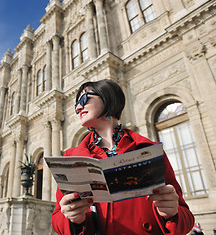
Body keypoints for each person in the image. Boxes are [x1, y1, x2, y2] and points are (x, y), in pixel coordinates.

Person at [51, 79, 194, 234]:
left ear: (107, 98)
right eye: (76, 105)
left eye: (84, 99)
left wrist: (172, 214)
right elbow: (57, 219)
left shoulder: (149, 150)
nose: (79, 107)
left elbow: (186, 220)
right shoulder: (71, 158)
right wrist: (72, 219)